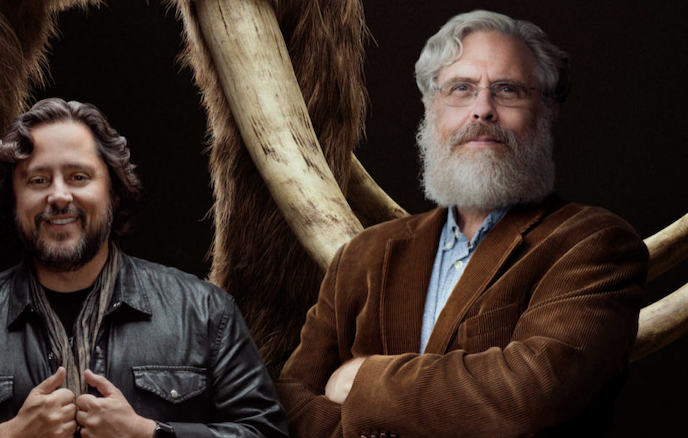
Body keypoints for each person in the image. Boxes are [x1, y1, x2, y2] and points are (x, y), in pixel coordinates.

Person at [276, 10, 647, 438]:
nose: (482, 110)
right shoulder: (361, 255)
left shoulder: (595, 244)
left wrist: (365, 380)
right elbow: (290, 405)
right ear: (430, 107)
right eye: (461, 89)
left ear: (548, 111)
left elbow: (532, 393)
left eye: (507, 90)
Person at [0, 98, 289, 438]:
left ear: (113, 191)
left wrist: (150, 435)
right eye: (37, 180)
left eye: (78, 176)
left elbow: (266, 433)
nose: (58, 196)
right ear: (13, 199)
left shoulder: (205, 313)